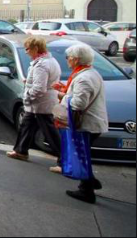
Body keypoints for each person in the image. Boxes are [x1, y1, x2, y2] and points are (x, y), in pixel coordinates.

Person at [53, 44, 108, 204]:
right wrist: (66, 91)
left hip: (86, 124)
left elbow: (78, 104)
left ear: (76, 59)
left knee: (81, 155)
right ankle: (89, 181)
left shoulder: (84, 78)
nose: (67, 60)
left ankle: (87, 190)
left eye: (68, 57)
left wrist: (61, 95)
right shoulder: (90, 73)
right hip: (91, 122)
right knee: (83, 155)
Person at [7, 37, 63, 173]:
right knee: (26, 126)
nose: (26, 52)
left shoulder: (42, 65)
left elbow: (39, 89)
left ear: (36, 49)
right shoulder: (47, 61)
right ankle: (21, 151)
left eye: (28, 49)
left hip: (41, 104)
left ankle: (65, 161)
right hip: (38, 105)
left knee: (51, 134)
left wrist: (27, 97)